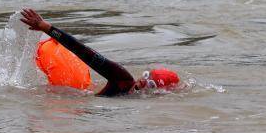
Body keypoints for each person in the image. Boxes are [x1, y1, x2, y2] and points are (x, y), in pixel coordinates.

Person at [19, 8, 180, 96]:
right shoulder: (122, 79)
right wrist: (47, 28)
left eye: (150, 85)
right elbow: (83, 51)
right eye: (146, 76)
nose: (142, 83)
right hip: (75, 95)